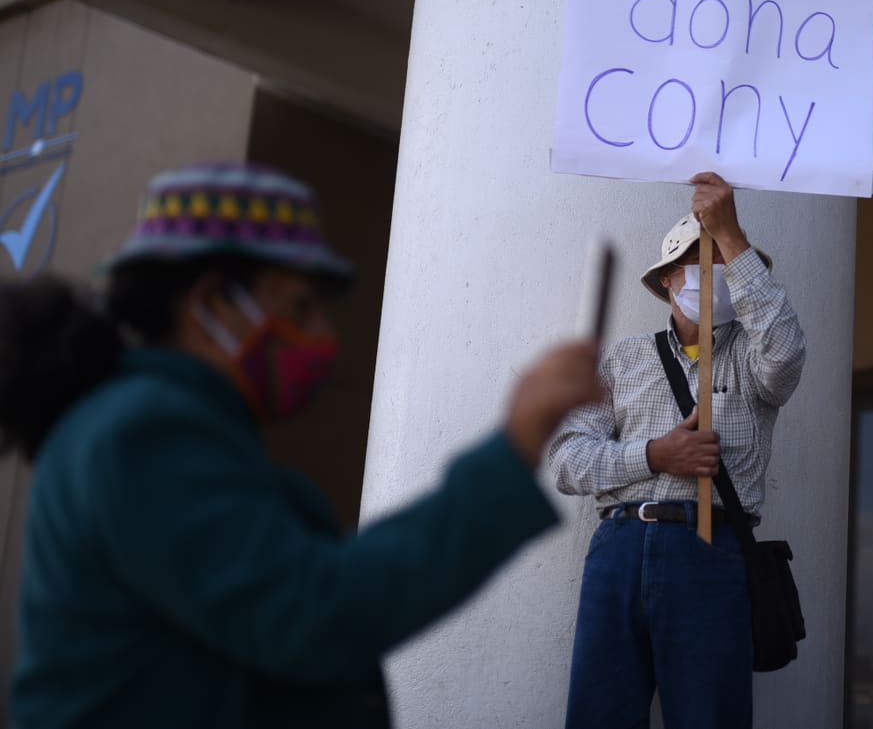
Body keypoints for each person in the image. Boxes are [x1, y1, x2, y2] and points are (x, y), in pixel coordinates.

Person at [0, 163, 603, 729]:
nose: (323, 338)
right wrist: (514, 444)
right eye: (299, 307)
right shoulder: (140, 435)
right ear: (211, 303)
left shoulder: (152, 426)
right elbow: (315, 613)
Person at [547, 172, 807, 729]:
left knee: (708, 716)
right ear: (669, 279)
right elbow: (567, 459)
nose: (719, 275)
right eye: (702, 259)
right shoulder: (622, 358)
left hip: (710, 548)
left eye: (728, 264)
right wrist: (652, 456)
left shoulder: (754, 359)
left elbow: (786, 352)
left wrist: (731, 235)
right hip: (618, 545)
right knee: (598, 715)